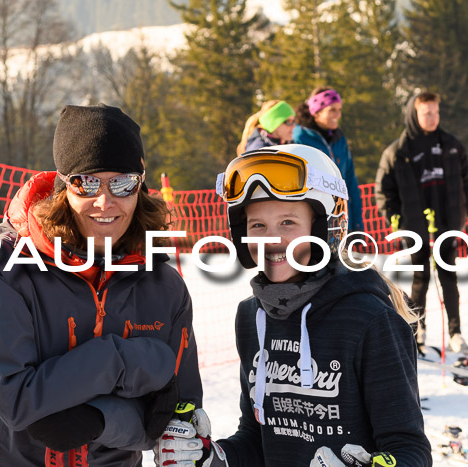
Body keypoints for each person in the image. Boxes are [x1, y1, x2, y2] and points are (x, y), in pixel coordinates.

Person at [0, 104, 202, 466]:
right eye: (86, 183)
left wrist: (101, 420)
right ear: (63, 188)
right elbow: (18, 402)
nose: (105, 201)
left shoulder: (164, 288)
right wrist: (129, 361)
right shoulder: (6, 270)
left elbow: (173, 417)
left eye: (122, 182)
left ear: (140, 187)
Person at [154, 144, 432, 467]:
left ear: (325, 227)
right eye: (257, 225)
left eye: (287, 222)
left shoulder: (369, 320)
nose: (271, 240)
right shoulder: (251, 317)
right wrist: (211, 458)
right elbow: (257, 439)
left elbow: (411, 450)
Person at [375, 91, 468, 355]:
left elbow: (467, 181)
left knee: (448, 276)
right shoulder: (399, 151)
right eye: (426, 113)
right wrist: (395, 218)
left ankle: (456, 333)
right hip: (415, 224)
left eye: (436, 112)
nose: (433, 118)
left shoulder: (451, 146)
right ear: (414, 114)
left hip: (447, 222)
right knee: (420, 278)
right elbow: (384, 190)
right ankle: (418, 331)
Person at [293, 87, 364, 233]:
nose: (338, 115)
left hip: (342, 221)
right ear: (316, 112)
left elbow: (350, 182)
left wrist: (357, 224)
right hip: (313, 222)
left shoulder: (339, 138)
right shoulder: (299, 137)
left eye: (339, 109)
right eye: (332, 110)